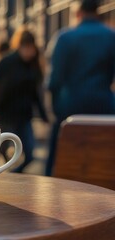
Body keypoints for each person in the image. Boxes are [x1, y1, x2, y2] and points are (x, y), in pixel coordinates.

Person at [46, 0, 115, 176]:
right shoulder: (111, 36)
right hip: (103, 105)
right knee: (104, 159)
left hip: (70, 107)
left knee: (59, 158)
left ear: (78, 13)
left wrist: (57, 110)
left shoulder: (65, 37)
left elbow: (54, 81)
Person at [0, 28, 48, 173]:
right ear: (19, 46)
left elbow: (36, 94)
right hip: (6, 114)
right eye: (25, 47)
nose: (28, 52)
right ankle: (7, 175)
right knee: (3, 150)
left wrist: (44, 115)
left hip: (25, 116)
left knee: (30, 153)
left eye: (31, 48)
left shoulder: (34, 65)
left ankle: (13, 174)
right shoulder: (6, 62)